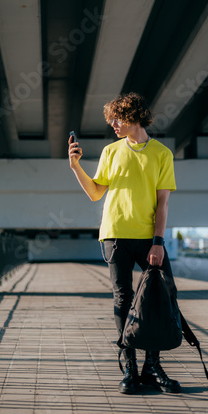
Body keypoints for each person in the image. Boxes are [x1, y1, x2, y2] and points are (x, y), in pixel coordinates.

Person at [68, 92, 180, 395]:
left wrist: (158, 243)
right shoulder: (110, 151)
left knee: (163, 294)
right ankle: (130, 367)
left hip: (148, 238)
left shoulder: (161, 154)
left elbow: (163, 204)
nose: (114, 124)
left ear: (135, 116)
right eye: (111, 120)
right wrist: (76, 166)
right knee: (123, 299)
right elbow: (95, 193)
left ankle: (151, 367)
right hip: (115, 235)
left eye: (118, 118)